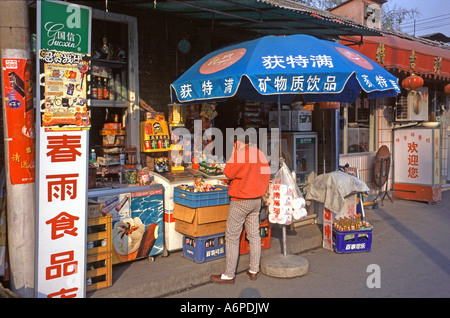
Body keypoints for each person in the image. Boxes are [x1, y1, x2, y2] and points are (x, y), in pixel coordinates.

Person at [210, 139, 270, 284]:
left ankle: (229, 275)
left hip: (241, 200)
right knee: (254, 235)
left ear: (239, 143)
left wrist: (233, 154)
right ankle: (254, 270)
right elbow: (265, 176)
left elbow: (228, 172)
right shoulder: (260, 155)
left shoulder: (242, 154)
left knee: (231, 236)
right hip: (256, 200)